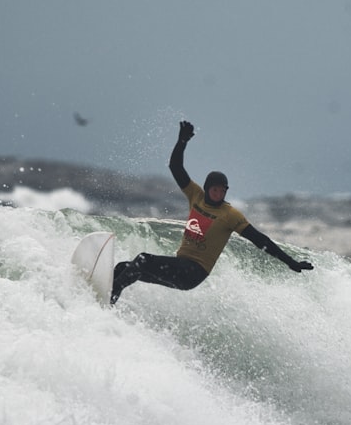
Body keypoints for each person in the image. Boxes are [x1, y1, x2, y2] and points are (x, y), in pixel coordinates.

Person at [111, 120, 314, 304]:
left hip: (194, 272)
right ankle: (107, 300)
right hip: (180, 266)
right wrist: (182, 141)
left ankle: (110, 298)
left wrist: (290, 262)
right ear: (207, 188)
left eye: (222, 190)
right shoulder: (195, 196)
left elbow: (260, 240)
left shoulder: (230, 215)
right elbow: (175, 167)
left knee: (143, 260)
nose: (218, 194)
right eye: (215, 189)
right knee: (123, 268)